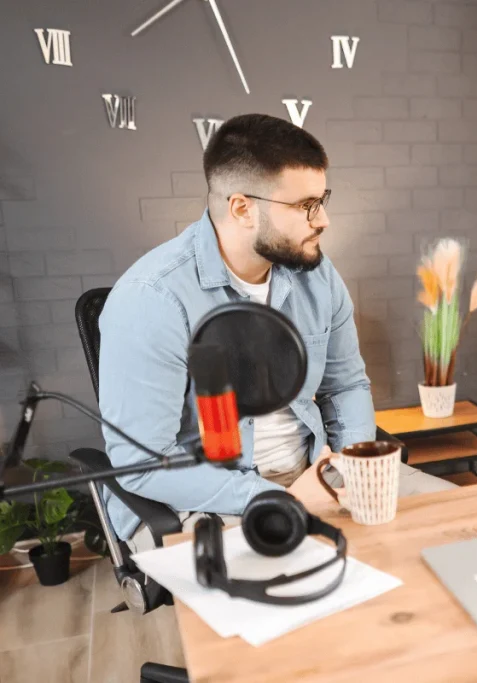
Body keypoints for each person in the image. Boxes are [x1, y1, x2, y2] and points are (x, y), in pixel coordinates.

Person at [98, 114, 453, 552]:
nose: (323, 219)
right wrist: (274, 498)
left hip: (317, 473)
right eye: (305, 205)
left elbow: (347, 385)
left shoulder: (317, 276)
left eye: (322, 199)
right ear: (243, 208)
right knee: (303, 594)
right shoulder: (152, 299)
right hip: (203, 500)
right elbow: (142, 465)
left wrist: (351, 468)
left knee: (466, 523)